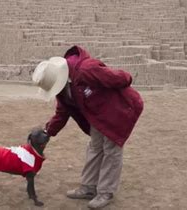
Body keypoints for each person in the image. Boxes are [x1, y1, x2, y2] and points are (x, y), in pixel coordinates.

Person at [32, 45, 144, 209]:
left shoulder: (87, 70)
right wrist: (48, 132)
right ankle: (88, 187)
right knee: (94, 147)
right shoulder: (63, 90)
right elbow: (62, 113)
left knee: (111, 150)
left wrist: (128, 79)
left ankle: (105, 192)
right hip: (97, 115)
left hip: (119, 110)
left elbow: (118, 77)